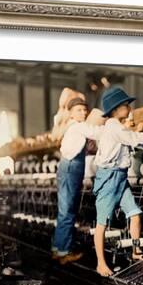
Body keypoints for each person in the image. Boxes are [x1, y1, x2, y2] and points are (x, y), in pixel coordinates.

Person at [93, 87, 143, 276]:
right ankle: (100, 263)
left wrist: (136, 130)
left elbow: (127, 138)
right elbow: (132, 138)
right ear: (115, 109)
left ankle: (136, 250)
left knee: (135, 214)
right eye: (126, 105)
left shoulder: (116, 127)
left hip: (120, 177)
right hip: (109, 178)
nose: (129, 108)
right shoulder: (113, 126)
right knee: (102, 223)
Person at [52, 97, 105, 264]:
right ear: (71, 113)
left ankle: (58, 249)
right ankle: (64, 253)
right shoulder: (78, 126)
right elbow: (98, 132)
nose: (83, 113)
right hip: (71, 168)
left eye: (84, 110)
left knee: (64, 211)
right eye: (78, 110)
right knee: (68, 211)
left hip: (67, 167)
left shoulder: (71, 127)